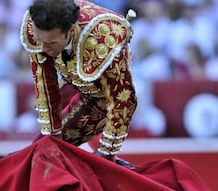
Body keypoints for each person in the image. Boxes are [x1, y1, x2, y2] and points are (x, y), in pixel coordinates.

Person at [20, 0, 137, 161]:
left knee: (42, 157)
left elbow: (123, 100)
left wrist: (107, 151)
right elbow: (45, 81)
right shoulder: (37, 24)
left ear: (71, 30)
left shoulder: (104, 39)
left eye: (51, 43)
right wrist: (53, 135)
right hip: (70, 83)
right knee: (42, 150)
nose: (42, 49)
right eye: (39, 40)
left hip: (101, 97)